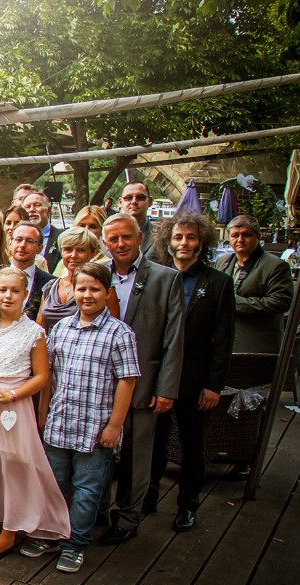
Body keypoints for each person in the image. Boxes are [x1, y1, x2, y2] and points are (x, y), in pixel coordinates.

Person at [28, 262, 140, 574]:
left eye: (94, 289)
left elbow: (127, 380)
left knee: (87, 488)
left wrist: (115, 425)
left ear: (107, 293)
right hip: (60, 421)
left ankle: (74, 543)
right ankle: (53, 532)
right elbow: (48, 375)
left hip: (96, 427)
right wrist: (43, 411)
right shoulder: (62, 329)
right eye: (81, 288)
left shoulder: (120, 333)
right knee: (55, 483)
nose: (87, 295)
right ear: (73, 291)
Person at [0, 267, 69, 557]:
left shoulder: (33, 332)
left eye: (14, 291)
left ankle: (11, 529)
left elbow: (42, 377)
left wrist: (12, 394)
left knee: (14, 464)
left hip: (14, 405)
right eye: (3, 290)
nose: (8, 296)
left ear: (25, 293)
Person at [99, 212, 184, 546]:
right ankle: (98, 511)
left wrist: (166, 388)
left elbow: (174, 339)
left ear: (139, 237)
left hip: (144, 383)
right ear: (105, 243)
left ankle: (129, 518)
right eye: (113, 239)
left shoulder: (165, 278)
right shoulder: (97, 274)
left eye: (126, 237)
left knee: (137, 455)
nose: (120, 244)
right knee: (99, 453)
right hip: (100, 383)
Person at [150, 213, 233, 532]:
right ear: (168, 242)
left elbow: (223, 338)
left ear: (202, 242)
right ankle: (150, 497)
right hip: (158, 378)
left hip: (196, 379)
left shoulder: (218, 283)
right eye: (178, 237)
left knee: (192, 442)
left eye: (191, 238)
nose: (184, 243)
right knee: (155, 440)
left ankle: (188, 504)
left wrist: (214, 385)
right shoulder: (159, 277)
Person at [215, 214, 294, 354]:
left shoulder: (275, 266)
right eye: (235, 235)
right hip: (224, 342)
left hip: (257, 344)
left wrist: (235, 302)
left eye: (246, 235)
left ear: (258, 237)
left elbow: (280, 302)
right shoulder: (222, 261)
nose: (240, 240)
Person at [38, 227, 115, 332]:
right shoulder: (50, 287)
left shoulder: (102, 286)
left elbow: (112, 327)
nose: (73, 255)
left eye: (81, 250)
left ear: (93, 253)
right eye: (68, 250)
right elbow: (40, 329)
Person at [10, 222, 55, 320]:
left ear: (40, 248)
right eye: (18, 239)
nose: (22, 245)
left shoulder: (51, 283)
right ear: (10, 244)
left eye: (30, 241)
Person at [53, 206, 109, 276]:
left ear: (101, 230)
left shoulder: (107, 265)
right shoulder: (65, 262)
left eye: (93, 227)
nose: (86, 230)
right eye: (82, 226)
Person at [118, 181, 159, 260]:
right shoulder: (105, 238)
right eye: (128, 198)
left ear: (150, 201)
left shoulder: (162, 235)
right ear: (120, 202)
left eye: (140, 197)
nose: (134, 201)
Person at [22, 191, 61, 271]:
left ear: (49, 210)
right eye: (27, 207)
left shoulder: (61, 237)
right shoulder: (16, 239)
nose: (32, 210)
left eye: (37, 205)